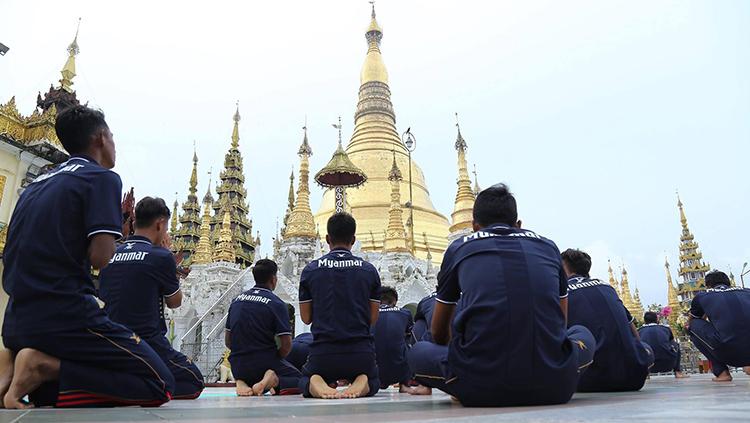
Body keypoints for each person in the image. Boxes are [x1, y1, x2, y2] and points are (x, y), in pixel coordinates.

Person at [0, 105, 174, 408]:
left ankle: (13, 361)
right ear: (101, 138)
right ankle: (43, 364)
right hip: (67, 314)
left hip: (17, 321)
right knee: (160, 384)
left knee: (51, 395)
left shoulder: (38, 182)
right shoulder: (101, 178)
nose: (114, 145)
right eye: (112, 137)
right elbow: (101, 257)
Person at [407, 184, 595, 407]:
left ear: (474, 226)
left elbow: (438, 332)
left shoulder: (459, 248)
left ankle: (460, 378)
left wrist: (458, 352)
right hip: (554, 383)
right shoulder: (548, 247)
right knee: (582, 333)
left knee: (418, 351)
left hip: (478, 386)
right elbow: (561, 323)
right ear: (518, 225)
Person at [98, 196, 205, 399]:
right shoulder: (160, 256)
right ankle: (129, 387)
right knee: (193, 380)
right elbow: (175, 302)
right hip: (147, 342)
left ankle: (118, 380)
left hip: (111, 340)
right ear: (160, 224)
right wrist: (168, 259)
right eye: (165, 229)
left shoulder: (111, 254)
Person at [298, 212, 381, 399]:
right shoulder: (369, 271)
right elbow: (373, 318)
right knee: (375, 379)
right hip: (360, 352)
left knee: (303, 378)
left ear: (327, 239)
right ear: (353, 239)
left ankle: (315, 380)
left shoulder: (311, 270)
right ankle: (363, 379)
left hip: (323, 352)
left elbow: (306, 318)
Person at [561, 249, 653, 392]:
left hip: (590, 380)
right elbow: (633, 329)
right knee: (645, 346)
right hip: (635, 375)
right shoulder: (607, 287)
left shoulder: (561, 292)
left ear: (563, 268)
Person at [225, 259, 301, 396]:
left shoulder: (236, 301)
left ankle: (241, 381)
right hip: (264, 364)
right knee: (301, 380)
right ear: (273, 279)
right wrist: (275, 360)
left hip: (237, 365)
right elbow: (286, 345)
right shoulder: (276, 303)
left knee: (247, 369)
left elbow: (228, 341)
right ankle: (272, 379)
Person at [688, 270, 750, 382]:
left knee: (692, 326)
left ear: (708, 286)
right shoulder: (747, 291)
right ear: (729, 283)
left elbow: (693, 321)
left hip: (730, 353)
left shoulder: (703, 296)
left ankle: (722, 372)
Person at [372, 286, 416, 392]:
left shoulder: (369, 314)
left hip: (374, 372)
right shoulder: (404, 313)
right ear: (395, 301)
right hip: (399, 371)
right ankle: (404, 383)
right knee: (408, 338)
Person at [639, 311, 688, 378]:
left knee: (639, 347)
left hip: (649, 366)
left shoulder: (639, 331)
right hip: (668, 363)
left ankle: (645, 374)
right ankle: (677, 371)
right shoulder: (665, 329)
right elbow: (672, 343)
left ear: (644, 321)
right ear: (657, 319)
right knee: (676, 344)